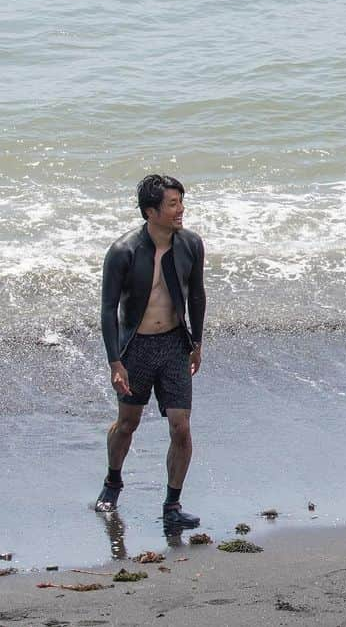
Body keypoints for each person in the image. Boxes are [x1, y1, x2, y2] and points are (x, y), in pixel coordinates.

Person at [96, 174, 206, 532]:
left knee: (181, 427)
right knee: (128, 423)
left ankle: (172, 506)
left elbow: (197, 296)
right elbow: (108, 309)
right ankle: (113, 481)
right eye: (173, 204)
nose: (181, 210)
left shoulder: (190, 245)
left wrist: (197, 343)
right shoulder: (123, 251)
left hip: (174, 344)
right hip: (136, 347)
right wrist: (116, 361)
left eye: (180, 202)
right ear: (151, 212)